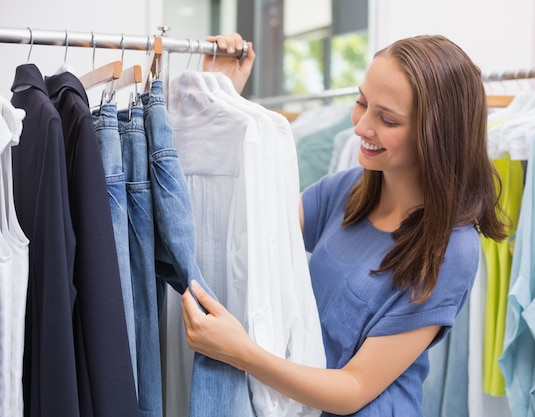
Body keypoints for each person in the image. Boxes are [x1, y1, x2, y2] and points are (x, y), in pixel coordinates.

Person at [181, 32, 508, 416]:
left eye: (387, 119)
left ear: (437, 135)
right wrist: (225, 100)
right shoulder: (349, 190)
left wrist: (241, 353)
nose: (361, 126)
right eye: (361, 102)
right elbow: (250, 231)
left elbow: (354, 387)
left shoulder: (451, 249)